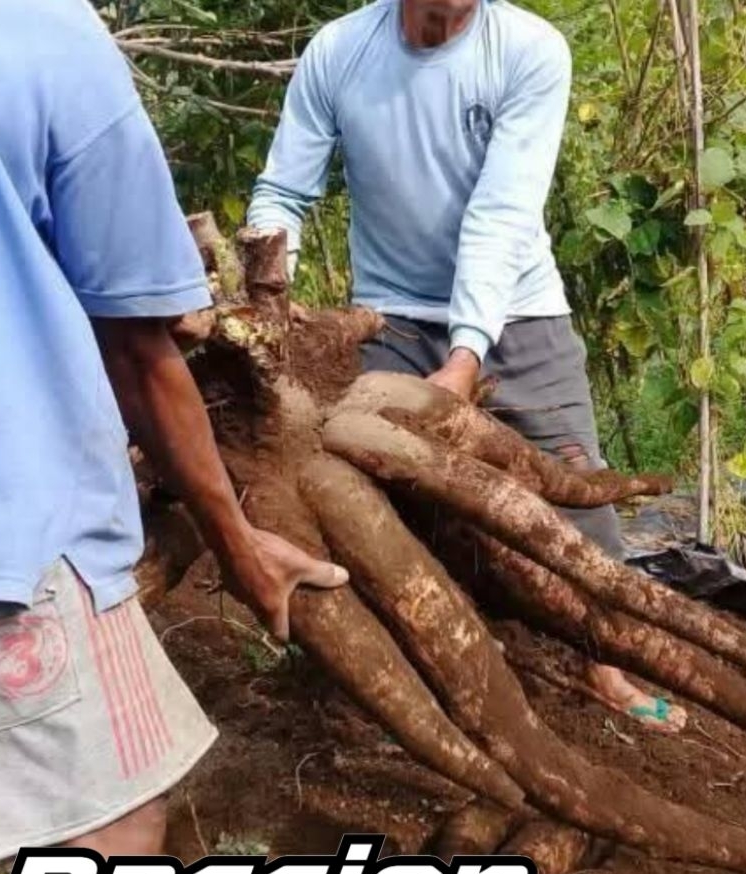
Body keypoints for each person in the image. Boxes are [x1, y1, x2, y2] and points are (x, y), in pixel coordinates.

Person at [0, 1, 349, 874]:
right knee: (104, 858)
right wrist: (238, 541)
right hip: (13, 537)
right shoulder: (43, 33)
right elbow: (141, 345)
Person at [249, 0, 686, 734]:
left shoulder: (528, 50)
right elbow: (285, 191)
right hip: (391, 318)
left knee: (577, 497)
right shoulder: (340, 52)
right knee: (385, 504)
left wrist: (464, 356)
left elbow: (502, 211)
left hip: (518, 313)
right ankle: (417, 667)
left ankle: (604, 663)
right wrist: (264, 293)